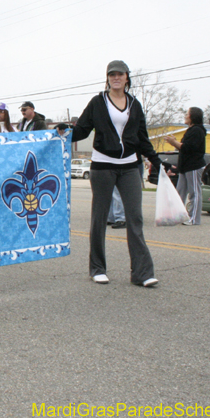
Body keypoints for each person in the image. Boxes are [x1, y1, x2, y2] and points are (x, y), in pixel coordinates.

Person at [59, 60, 163, 287]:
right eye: (112, 74)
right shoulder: (98, 102)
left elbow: (142, 138)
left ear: (127, 78)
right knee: (99, 217)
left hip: (129, 166)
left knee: (134, 218)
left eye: (120, 74)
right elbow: (83, 129)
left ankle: (142, 273)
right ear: (107, 78)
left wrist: (157, 161)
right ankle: (97, 268)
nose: (116, 77)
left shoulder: (135, 104)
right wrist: (65, 132)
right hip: (102, 166)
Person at [164, 107, 207, 225]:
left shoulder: (197, 130)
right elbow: (184, 146)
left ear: (193, 117)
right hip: (185, 167)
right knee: (179, 192)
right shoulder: (191, 130)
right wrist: (175, 142)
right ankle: (176, 216)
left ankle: (194, 219)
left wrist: (174, 142)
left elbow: (187, 148)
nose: (185, 115)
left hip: (193, 166)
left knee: (195, 193)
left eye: (187, 114)